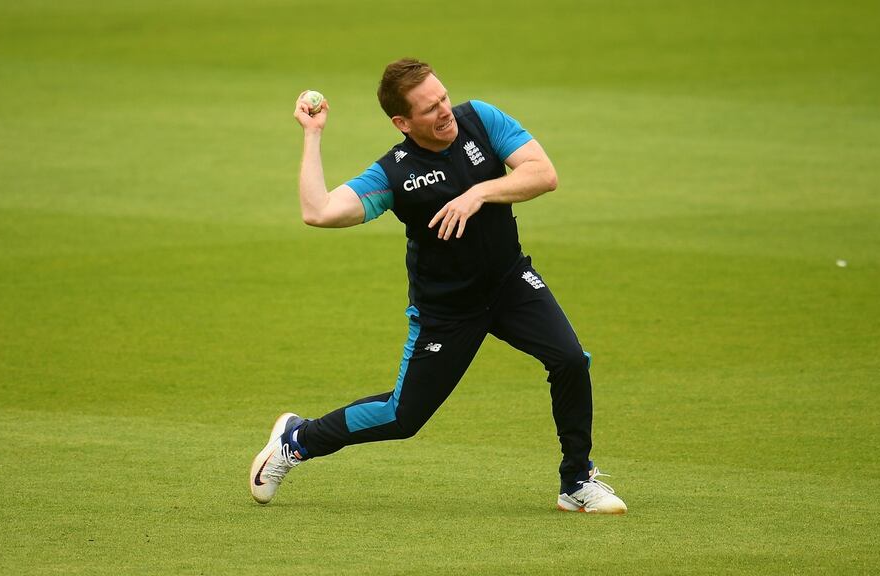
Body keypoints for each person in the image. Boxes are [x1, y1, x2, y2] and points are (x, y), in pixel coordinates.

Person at [249, 58, 626, 514]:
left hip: (510, 283)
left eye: (443, 97)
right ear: (402, 123)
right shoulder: (394, 175)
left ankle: (577, 482)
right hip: (447, 311)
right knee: (402, 417)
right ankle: (297, 440)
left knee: (569, 359)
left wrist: (478, 193)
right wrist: (313, 135)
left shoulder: (481, 119)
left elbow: (543, 173)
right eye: (429, 109)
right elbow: (319, 211)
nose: (444, 111)